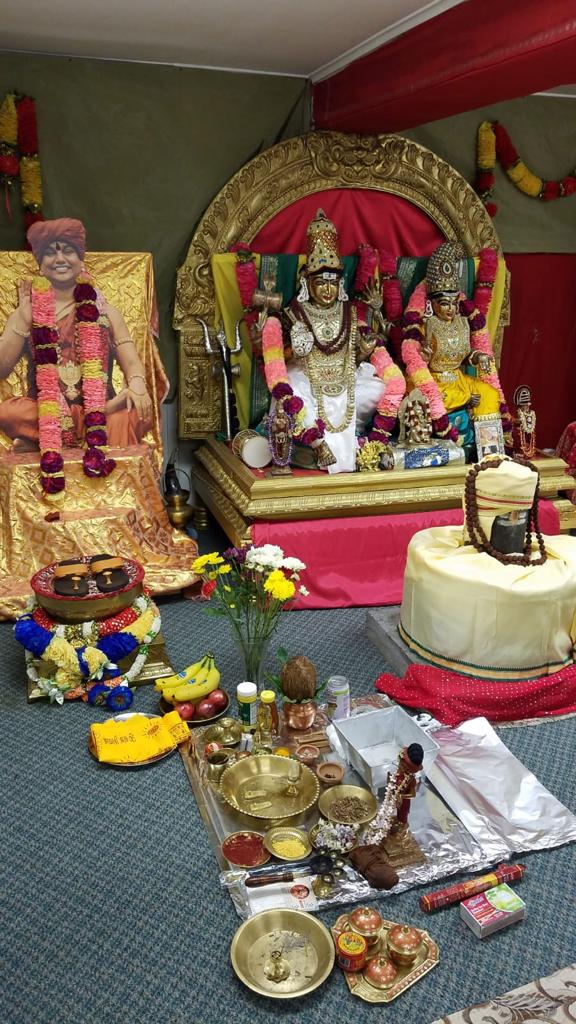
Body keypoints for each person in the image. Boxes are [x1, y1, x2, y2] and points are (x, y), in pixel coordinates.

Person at [261, 209, 405, 473]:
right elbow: (278, 358)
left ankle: (360, 441)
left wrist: (364, 352)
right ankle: (315, 444)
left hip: (346, 377)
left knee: (377, 389)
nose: (328, 290)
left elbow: (359, 351)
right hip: (307, 377)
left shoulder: (350, 313)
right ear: (307, 283)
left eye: (333, 282)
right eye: (321, 282)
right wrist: (295, 349)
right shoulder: (294, 313)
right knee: (291, 392)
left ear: (340, 283)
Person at [0, 218, 153, 451]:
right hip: (46, 409)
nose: (59, 259)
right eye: (50, 253)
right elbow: (1, 368)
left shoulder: (105, 312)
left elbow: (131, 362)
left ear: (80, 259)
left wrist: (138, 386)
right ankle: (74, 431)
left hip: (100, 408)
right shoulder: (27, 311)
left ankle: (46, 439)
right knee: (8, 412)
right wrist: (23, 319)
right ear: (40, 264)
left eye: (68, 251)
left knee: (137, 414)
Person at [420, 241, 500, 420]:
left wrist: (479, 357)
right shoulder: (426, 324)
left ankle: (486, 438)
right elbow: (416, 364)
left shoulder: (463, 322)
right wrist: (424, 358)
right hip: (437, 382)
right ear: (432, 303)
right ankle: (463, 404)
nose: (450, 309)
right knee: (435, 399)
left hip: (459, 379)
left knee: (489, 393)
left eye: (453, 303)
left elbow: (465, 355)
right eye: (444, 304)